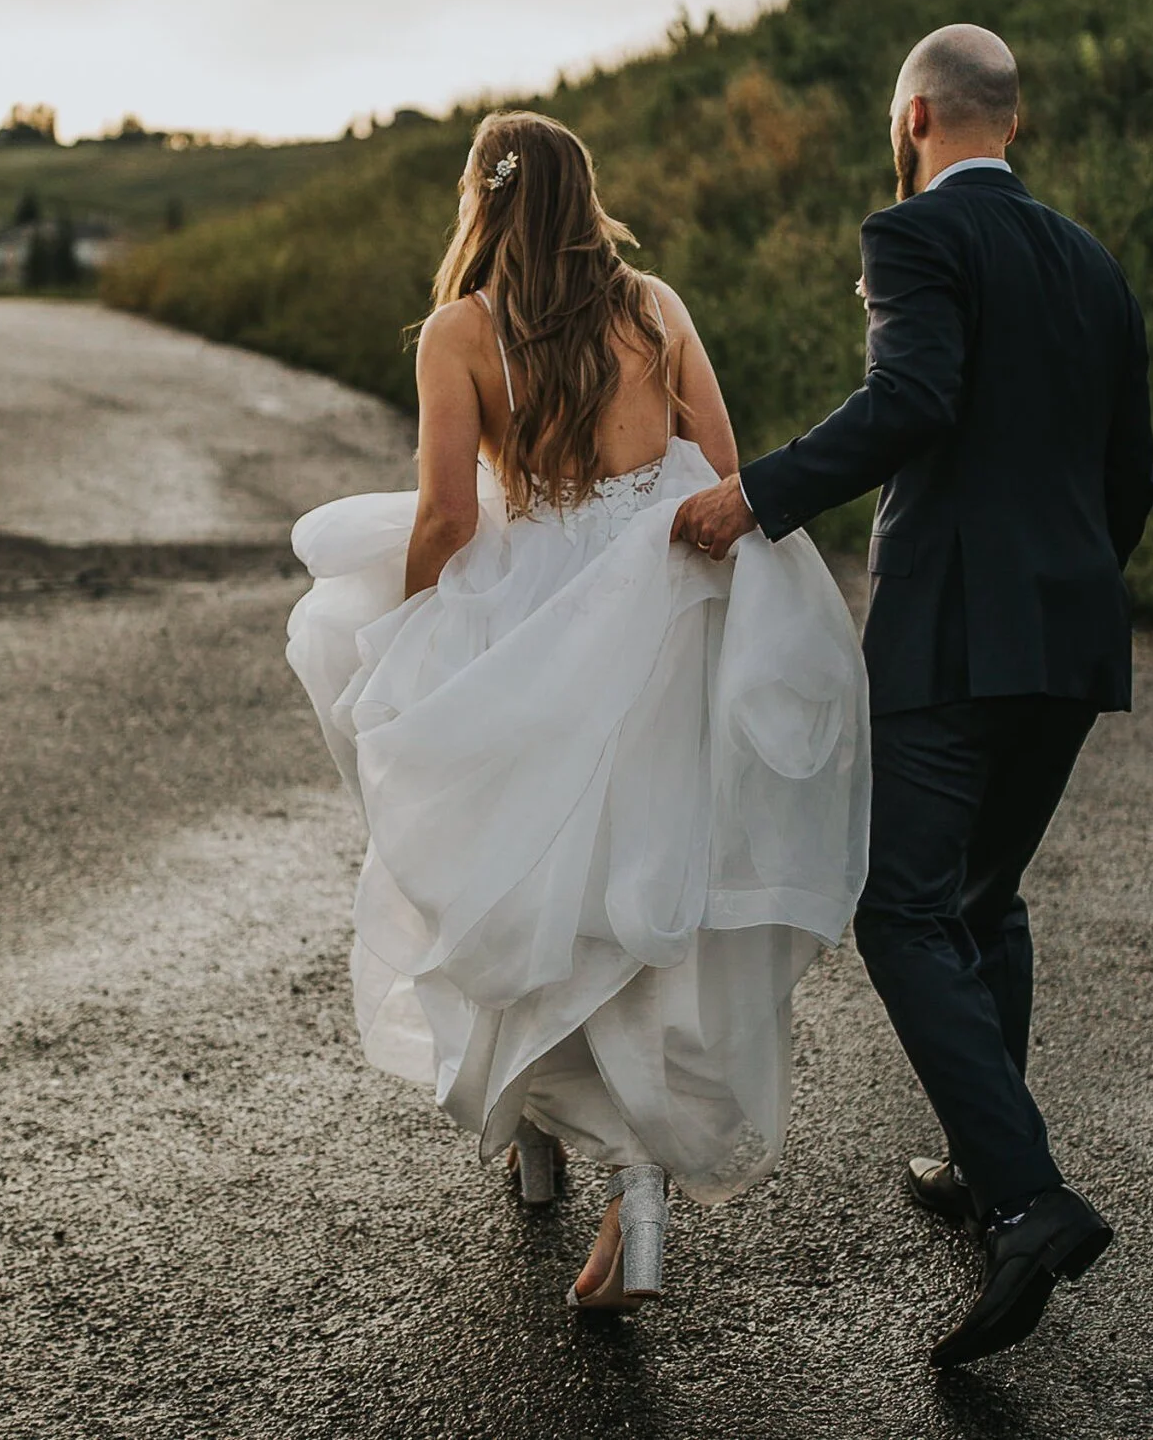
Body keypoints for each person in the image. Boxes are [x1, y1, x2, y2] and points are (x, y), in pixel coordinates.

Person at [286, 111, 870, 1311]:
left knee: (520, 870)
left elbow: (447, 518)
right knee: (636, 896)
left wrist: (406, 640)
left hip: (534, 618)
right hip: (665, 605)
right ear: (583, 195)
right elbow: (721, 455)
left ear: (483, 199)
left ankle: (539, 1140)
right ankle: (635, 1179)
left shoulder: (460, 330)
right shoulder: (653, 304)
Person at [674, 24, 1153, 1366]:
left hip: (951, 633)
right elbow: (1134, 474)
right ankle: (970, 1154)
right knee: (982, 897)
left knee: (898, 906)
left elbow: (915, 396)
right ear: (1013, 120)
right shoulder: (1094, 263)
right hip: (1070, 634)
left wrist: (753, 492)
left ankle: (1028, 1195)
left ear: (916, 118)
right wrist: (1066, 585)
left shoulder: (912, 237)